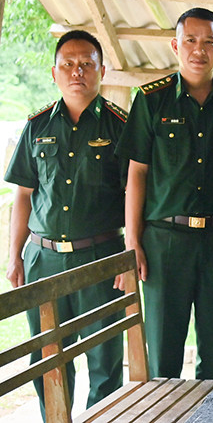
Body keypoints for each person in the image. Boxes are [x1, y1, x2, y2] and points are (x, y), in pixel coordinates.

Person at [115, 8, 213, 380]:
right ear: (176, 45)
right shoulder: (151, 100)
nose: (198, 50)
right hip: (165, 241)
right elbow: (136, 174)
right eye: (190, 40)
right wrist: (132, 242)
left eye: (209, 42)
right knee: (162, 352)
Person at [4, 30, 126, 418]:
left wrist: (127, 257)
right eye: (68, 65)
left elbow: (133, 196)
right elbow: (23, 196)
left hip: (101, 256)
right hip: (43, 259)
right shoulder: (37, 126)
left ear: (102, 71)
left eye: (87, 64)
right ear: (54, 73)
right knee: (47, 356)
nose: (78, 72)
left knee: (105, 359)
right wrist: (14, 258)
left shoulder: (120, 127)